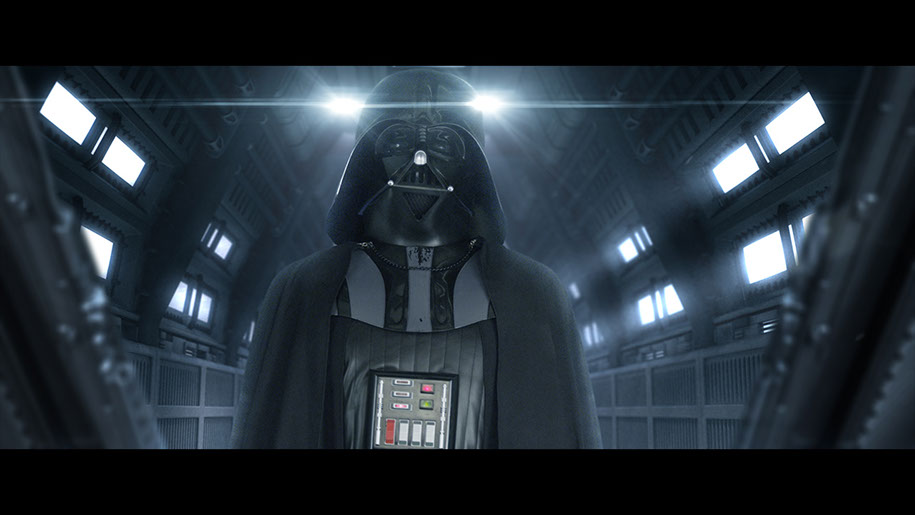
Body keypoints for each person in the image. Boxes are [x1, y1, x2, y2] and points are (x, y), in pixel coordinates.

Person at [231, 69, 601, 448]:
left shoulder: (531, 293)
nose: (419, 160)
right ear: (367, 158)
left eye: (443, 141)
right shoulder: (305, 289)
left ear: (471, 161)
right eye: (397, 139)